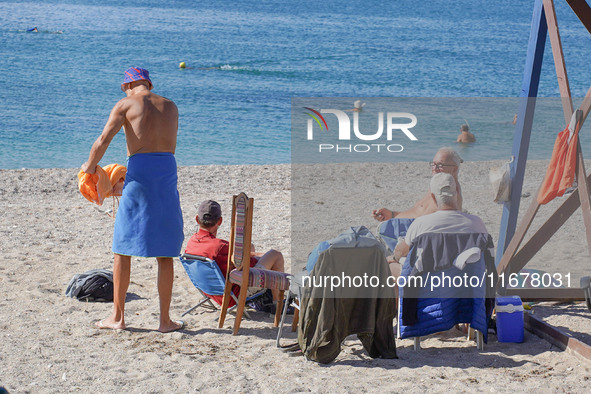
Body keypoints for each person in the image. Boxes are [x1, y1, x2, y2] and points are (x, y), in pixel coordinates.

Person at [81, 67, 184, 333]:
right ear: (147, 82)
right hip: (167, 173)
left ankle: (118, 317)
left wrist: (89, 168)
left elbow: (104, 139)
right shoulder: (171, 107)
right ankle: (164, 321)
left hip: (140, 175)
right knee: (165, 252)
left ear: (130, 84)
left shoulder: (126, 103)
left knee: (122, 248)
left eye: (124, 87)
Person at [185, 200, 286, 309]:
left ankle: (263, 299)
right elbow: (249, 264)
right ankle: (277, 304)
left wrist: (252, 254)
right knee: (276, 255)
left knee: (249, 247)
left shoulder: (192, 242)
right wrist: (263, 256)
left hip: (209, 290)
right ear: (220, 221)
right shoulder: (221, 246)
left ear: (197, 219)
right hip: (231, 296)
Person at [389, 172, 489, 278]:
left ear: (433, 196)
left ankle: (399, 295)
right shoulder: (477, 224)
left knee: (390, 267)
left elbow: (401, 252)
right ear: (457, 191)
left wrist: (394, 258)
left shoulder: (421, 224)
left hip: (428, 288)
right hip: (467, 286)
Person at [372, 147, 463, 221]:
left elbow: (425, 221)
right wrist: (392, 215)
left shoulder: (447, 192)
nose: (434, 168)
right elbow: (418, 212)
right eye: (433, 164)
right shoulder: (437, 185)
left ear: (454, 169)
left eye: (440, 165)